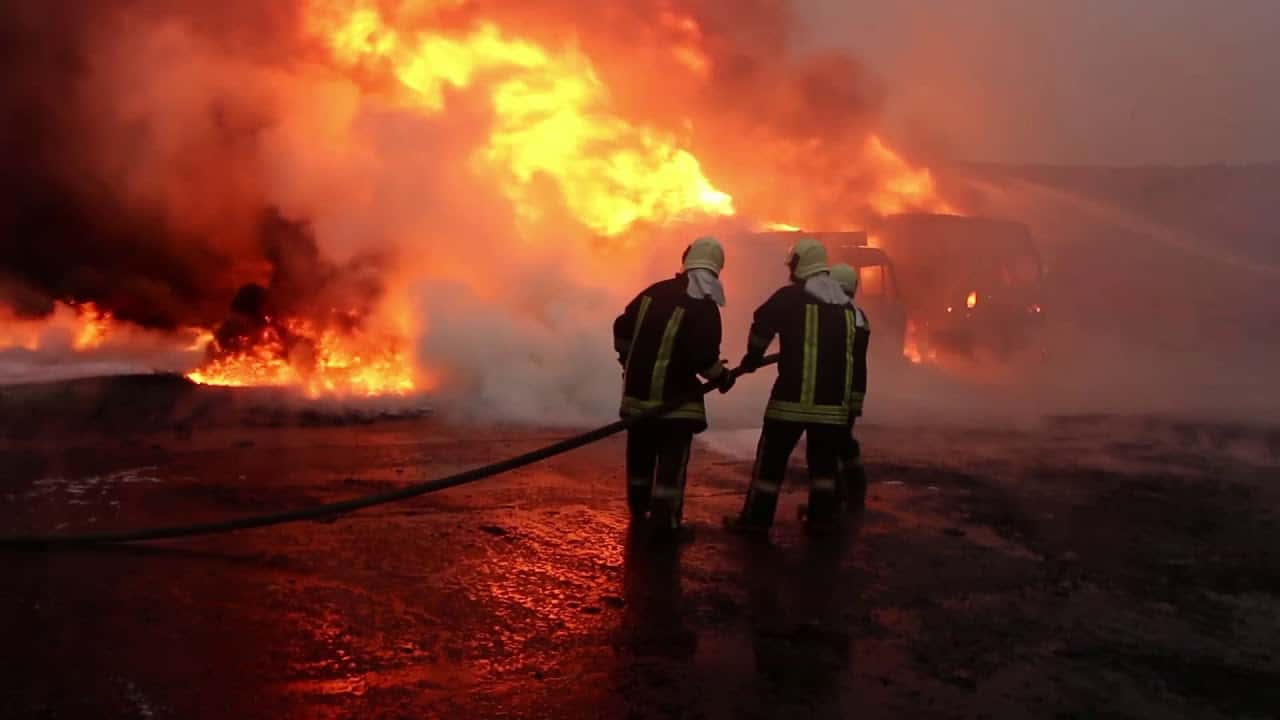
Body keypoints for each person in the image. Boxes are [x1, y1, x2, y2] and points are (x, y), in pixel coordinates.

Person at [724, 238, 859, 536]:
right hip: (831, 410)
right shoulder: (846, 307)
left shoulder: (789, 297)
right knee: (823, 470)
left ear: (800, 265)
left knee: (770, 466)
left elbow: (761, 323)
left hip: (789, 403)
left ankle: (756, 523)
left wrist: (752, 357)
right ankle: (821, 520)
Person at [613, 236, 732, 535]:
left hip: (637, 400)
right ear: (716, 269)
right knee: (670, 466)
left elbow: (621, 326)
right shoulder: (704, 307)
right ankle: (664, 524)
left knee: (639, 459)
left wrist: (627, 359)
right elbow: (705, 359)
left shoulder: (653, 293)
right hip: (675, 408)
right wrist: (723, 377)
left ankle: (639, 512)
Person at [829, 263, 871, 509]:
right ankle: (856, 492)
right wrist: (857, 400)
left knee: (827, 446)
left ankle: (833, 499)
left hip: (830, 390)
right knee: (844, 441)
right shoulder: (859, 316)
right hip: (851, 390)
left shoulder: (833, 314)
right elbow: (859, 363)